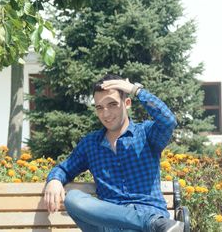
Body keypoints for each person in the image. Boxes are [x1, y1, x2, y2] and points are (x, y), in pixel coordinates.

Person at [44, 74, 183, 232]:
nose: (106, 114)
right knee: (73, 198)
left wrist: (135, 90)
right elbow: (64, 169)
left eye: (112, 104)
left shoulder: (147, 134)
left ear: (127, 103)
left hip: (149, 216)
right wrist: (54, 180)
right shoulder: (90, 144)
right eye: (99, 108)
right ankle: (150, 223)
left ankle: (150, 223)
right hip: (112, 226)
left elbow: (168, 120)